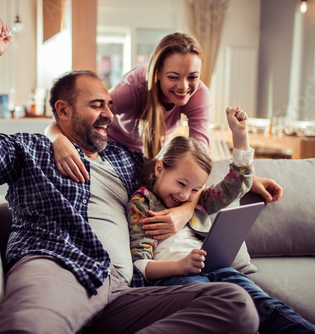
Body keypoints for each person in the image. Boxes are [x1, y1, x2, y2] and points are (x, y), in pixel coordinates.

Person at [0, 12, 260, 334]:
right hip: (62, 267)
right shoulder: (32, 149)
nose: (110, 115)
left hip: (125, 289)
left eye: (110, 105)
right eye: (98, 105)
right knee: (29, 328)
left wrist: (247, 176)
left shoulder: (127, 160)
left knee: (234, 304)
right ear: (63, 111)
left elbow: (182, 172)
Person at [45, 32, 282, 241]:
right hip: (115, 147)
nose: (184, 86)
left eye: (193, 76)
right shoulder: (133, 87)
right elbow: (89, 118)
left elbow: (198, 160)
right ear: (157, 73)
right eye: (173, 76)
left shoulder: (199, 94)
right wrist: (56, 138)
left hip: (151, 154)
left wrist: (186, 210)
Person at [127, 107, 315, 334]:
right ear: (160, 169)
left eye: (195, 189)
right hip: (176, 278)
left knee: (270, 308)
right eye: (181, 184)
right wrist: (181, 266)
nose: (184, 195)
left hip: (217, 269)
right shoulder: (142, 203)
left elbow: (235, 186)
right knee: (228, 316)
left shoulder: (198, 202)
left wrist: (240, 137)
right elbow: (141, 266)